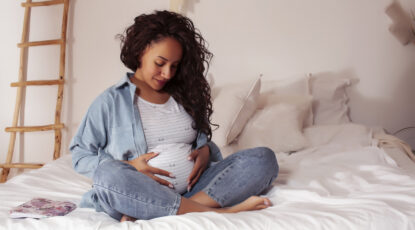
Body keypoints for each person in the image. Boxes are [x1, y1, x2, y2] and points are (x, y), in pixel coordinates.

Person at [69, 10, 279, 222]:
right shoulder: (110, 101)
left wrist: (206, 151)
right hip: (138, 191)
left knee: (263, 159)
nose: (167, 74)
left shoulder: (184, 96)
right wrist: (130, 166)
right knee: (108, 176)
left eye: (174, 66)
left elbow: (199, 141)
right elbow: (80, 154)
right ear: (141, 51)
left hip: (194, 188)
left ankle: (164, 209)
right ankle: (219, 213)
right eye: (160, 63)